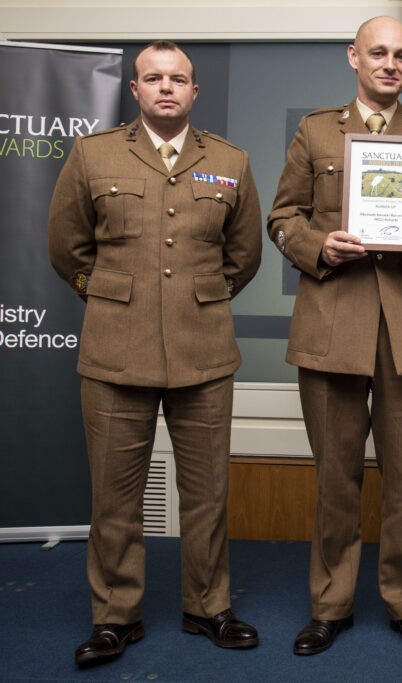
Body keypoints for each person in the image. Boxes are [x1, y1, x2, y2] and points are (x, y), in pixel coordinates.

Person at [48, 40, 263, 668]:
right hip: (117, 350)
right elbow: (68, 249)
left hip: (203, 351)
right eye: (153, 78)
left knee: (208, 493)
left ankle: (208, 606)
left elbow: (243, 255)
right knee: (115, 497)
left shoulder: (230, 160)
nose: (166, 87)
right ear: (135, 90)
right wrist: (110, 298)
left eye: (178, 79)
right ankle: (115, 618)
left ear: (194, 92)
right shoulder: (93, 154)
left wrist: (203, 296)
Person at [266, 16, 402, 657]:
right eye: (378, 52)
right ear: (353, 57)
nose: (390, 64)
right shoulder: (316, 129)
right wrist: (317, 244)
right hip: (332, 322)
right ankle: (331, 604)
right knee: (336, 476)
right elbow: (281, 217)